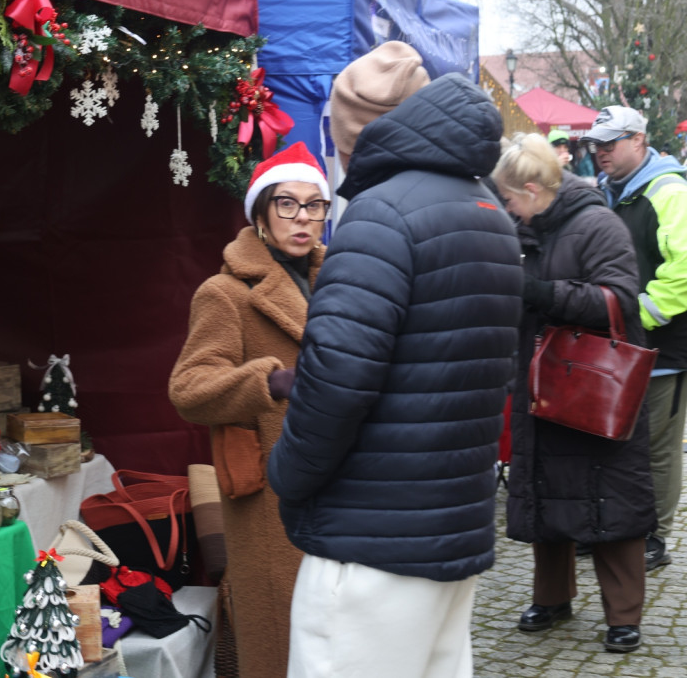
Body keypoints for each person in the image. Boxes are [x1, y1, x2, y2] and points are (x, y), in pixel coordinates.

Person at [267, 41, 523, 678]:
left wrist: (288, 474)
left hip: (372, 535)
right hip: (450, 522)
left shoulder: (380, 215)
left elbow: (338, 379)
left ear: (354, 130)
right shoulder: (487, 210)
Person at [168, 141, 331, 677]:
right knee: (278, 640)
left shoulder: (338, 281)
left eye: (314, 204)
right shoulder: (225, 292)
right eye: (287, 203)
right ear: (261, 215)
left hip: (340, 483)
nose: (302, 217)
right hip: (267, 494)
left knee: (331, 637)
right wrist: (273, 380)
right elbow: (189, 388)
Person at [493, 132, 656, 653]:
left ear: (534, 188)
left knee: (611, 499)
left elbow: (619, 298)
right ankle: (553, 597)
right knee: (545, 491)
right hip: (542, 381)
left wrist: (542, 294)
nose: (508, 209)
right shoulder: (524, 229)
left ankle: (623, 614)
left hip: (593, 384)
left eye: (511, 198)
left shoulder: (598, 224)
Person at [582, 105, 687, 571]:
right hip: (617, 341)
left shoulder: (669, 190)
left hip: (664, 345)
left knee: (659, 447)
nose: (600, 151)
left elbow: (682, 272)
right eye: (596, 144)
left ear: (639, 139)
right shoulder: (609, 191)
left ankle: (654, 535)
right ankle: (613, 528)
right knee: (613, 439)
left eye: (610, 142)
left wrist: (636, 314)